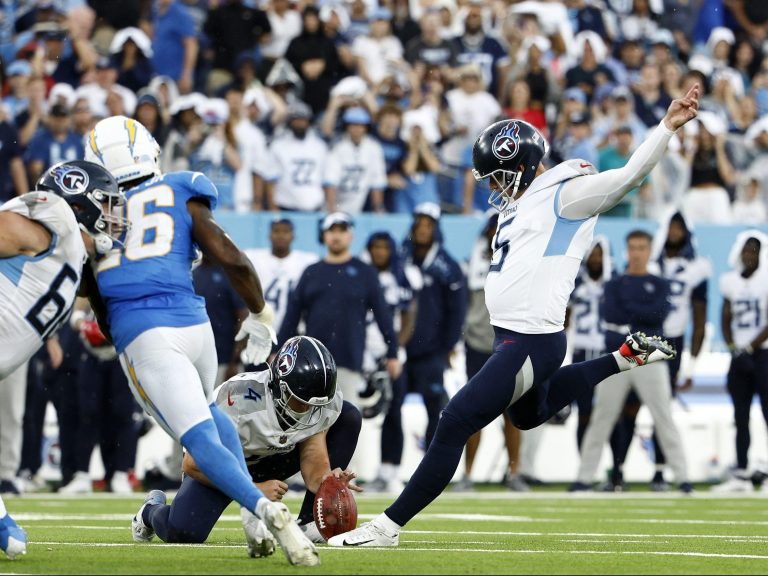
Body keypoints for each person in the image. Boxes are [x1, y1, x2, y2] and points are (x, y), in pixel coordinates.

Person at [328, 84, 701, 548]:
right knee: (529, 414)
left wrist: (666, 127)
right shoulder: (523, 201)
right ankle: (621, 359)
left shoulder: (565, 195)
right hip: (517, 337)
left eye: (498, 176)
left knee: (454, 421)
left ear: (522, 167)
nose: (492, 186)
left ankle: (388, 526)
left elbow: (628, 176)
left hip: (530, 340)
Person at [84, 115, 319, 566]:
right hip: (194, 323)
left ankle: (265, 510)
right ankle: (255, 520)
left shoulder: (99, 213)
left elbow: (92, 293)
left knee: (199, 438)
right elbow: (230, 256)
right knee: (215, 421)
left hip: (144, 330)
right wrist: (259, 313)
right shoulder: (177, 189)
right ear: (149, 151)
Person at [0, 158, 127, 558]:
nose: (111, 216)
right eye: (104, 204)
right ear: (79, 200)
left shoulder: (74, 253)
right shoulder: (53, 216)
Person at [135, 336, 362, 551]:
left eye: (315, 406)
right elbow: (191, 464)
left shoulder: (321, 402)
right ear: (280, 387)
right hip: (224, 463)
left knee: (349, 416)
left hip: (276, 457)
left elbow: (313, 457)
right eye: (301, 403)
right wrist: (254, 490)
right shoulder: (238, 401)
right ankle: (150, 511)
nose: (311, 412)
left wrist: (328, 483)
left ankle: (308, 523)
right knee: (183, 532)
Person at [571, 230, 691, 494]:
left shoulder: (659, 284)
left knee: (664, 418)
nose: (636, 253)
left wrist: (631, 313)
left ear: (649, 251)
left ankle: (683, 477)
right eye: (632, 247)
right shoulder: (614, 283)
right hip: (620, 355)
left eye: (641, 247)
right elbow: (612, 313)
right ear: (627, 251)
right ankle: (583, 478)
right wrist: (639, 313)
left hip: (650, 357)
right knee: (602, 418)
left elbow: (657, 313)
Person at [277, 212, 401, 409]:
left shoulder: (365, 273)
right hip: (313, 364)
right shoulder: (311, 272)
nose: (336, 236)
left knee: (347, 423)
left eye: (342, 230)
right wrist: (278, 350)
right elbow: (292, 315)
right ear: (324, 236)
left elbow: (383, 315)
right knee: (310, 426)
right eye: (331, 231)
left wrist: (393, 353)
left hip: (349, 361)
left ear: (350, 236)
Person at [712, 230, 768, 492]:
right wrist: (734, 347)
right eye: (746, 250)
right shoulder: (730, 281)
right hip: (740, 356)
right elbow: (725, 316)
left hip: (763, 353)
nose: (749, 255)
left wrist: (749, 346)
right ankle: (742, 473)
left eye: (754, 250)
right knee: (740, 416)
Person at [244, 218, 318, 337]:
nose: (281, 235)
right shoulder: (254, 258)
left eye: (285, 231)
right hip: (260, 327)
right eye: (276, 231)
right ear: (269, 235)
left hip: (294, 328)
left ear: (293, 236)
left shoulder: (307, 261)